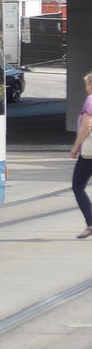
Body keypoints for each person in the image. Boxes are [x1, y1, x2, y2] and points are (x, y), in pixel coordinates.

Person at [71, 72, 92, 238]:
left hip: (89, 155)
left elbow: (86, 125)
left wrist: (75, 147)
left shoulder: (90, 101)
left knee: (78, 187)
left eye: (86, 84)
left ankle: (91, 224)